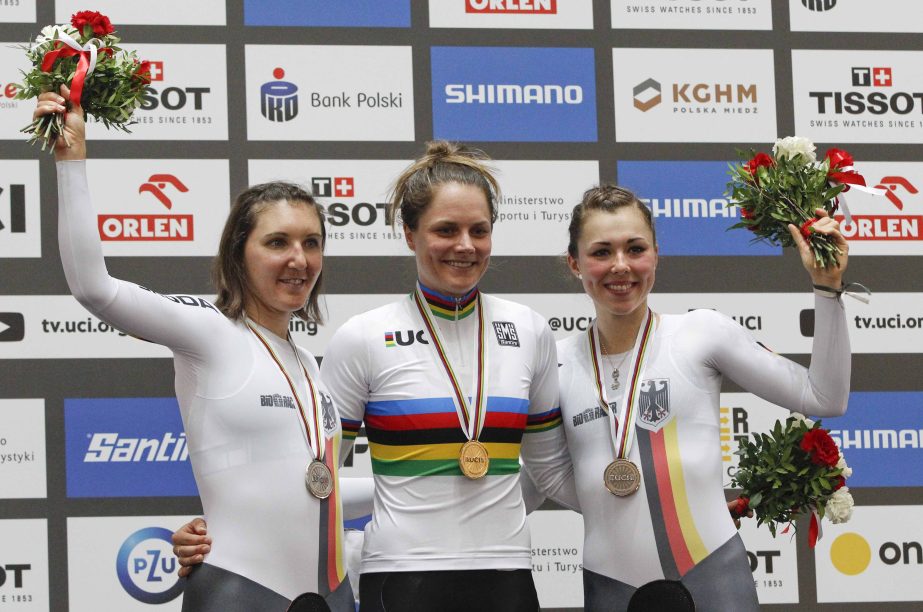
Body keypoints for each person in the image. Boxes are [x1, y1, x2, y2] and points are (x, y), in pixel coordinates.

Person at [175, 141, 576, 611]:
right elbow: (314, 482)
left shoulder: (529, 330)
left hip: (507, 573)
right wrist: (224, 530)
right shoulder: (364, 337)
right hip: (400, 578)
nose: (465, 245)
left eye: (478, 230)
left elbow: (549, 471)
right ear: (409, 233)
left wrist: (626, 500)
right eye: (446, 229)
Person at [36, 88, 359, 611]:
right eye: (277, 242)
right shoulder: (207, 331)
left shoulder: (305, 364)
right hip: (241, 592)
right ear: (239, 251)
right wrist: (72, 160)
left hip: (332, 595)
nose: (298, 258)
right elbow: (95, 288)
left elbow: (322, 490)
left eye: (312, 242)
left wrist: (432, 478)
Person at [540, 184, 851, 610]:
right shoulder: (553, 364)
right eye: (601, 252)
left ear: (656, 254)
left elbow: (824, 396)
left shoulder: (701, 333)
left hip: (714, 579)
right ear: (574, 263)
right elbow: (540, 473)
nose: (620, 266)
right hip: (609, 587)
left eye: (635, 249)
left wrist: (827, 287)